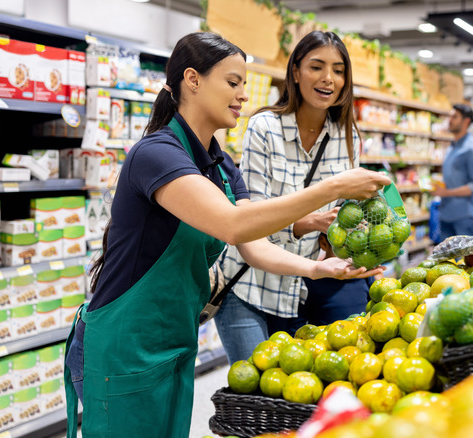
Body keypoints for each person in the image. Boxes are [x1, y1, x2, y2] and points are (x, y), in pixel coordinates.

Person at [62, 32, 389, 438]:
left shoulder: (220, 165)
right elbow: (229, 224)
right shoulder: (157, 155)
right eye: (233, 82)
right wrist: (334, 187)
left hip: (174, 338)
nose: (241, 95)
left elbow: (251, 242)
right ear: (193, 80)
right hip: (124, 346)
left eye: (243, 85)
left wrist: (319, 270)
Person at [216, 31, 366, 362]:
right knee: (255, 394)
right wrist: (304, 223)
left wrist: (354, 239)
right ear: (295, 72)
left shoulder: (348, 136)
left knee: (302, 395)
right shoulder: (264, 127)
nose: (329, 78)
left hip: (306, 287)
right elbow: (250, 220)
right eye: (317, 66)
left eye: (339, 70)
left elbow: (344, 217)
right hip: (252, 286)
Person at [431, 103, 473, 242]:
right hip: (446, 215)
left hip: (464, 218)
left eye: (454, 117)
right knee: (447, 262)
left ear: (466, 121)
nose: (449, 120)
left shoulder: (472, 148)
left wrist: (446, 193)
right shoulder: (452, 147)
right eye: (449, 116)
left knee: (466, 262)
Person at [299, 233, 374, 325]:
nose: (351, 254)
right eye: (344, 246)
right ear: (324, 244)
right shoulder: (310, 280)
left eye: (356, 246)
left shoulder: (364, 273)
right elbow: (299, 326)